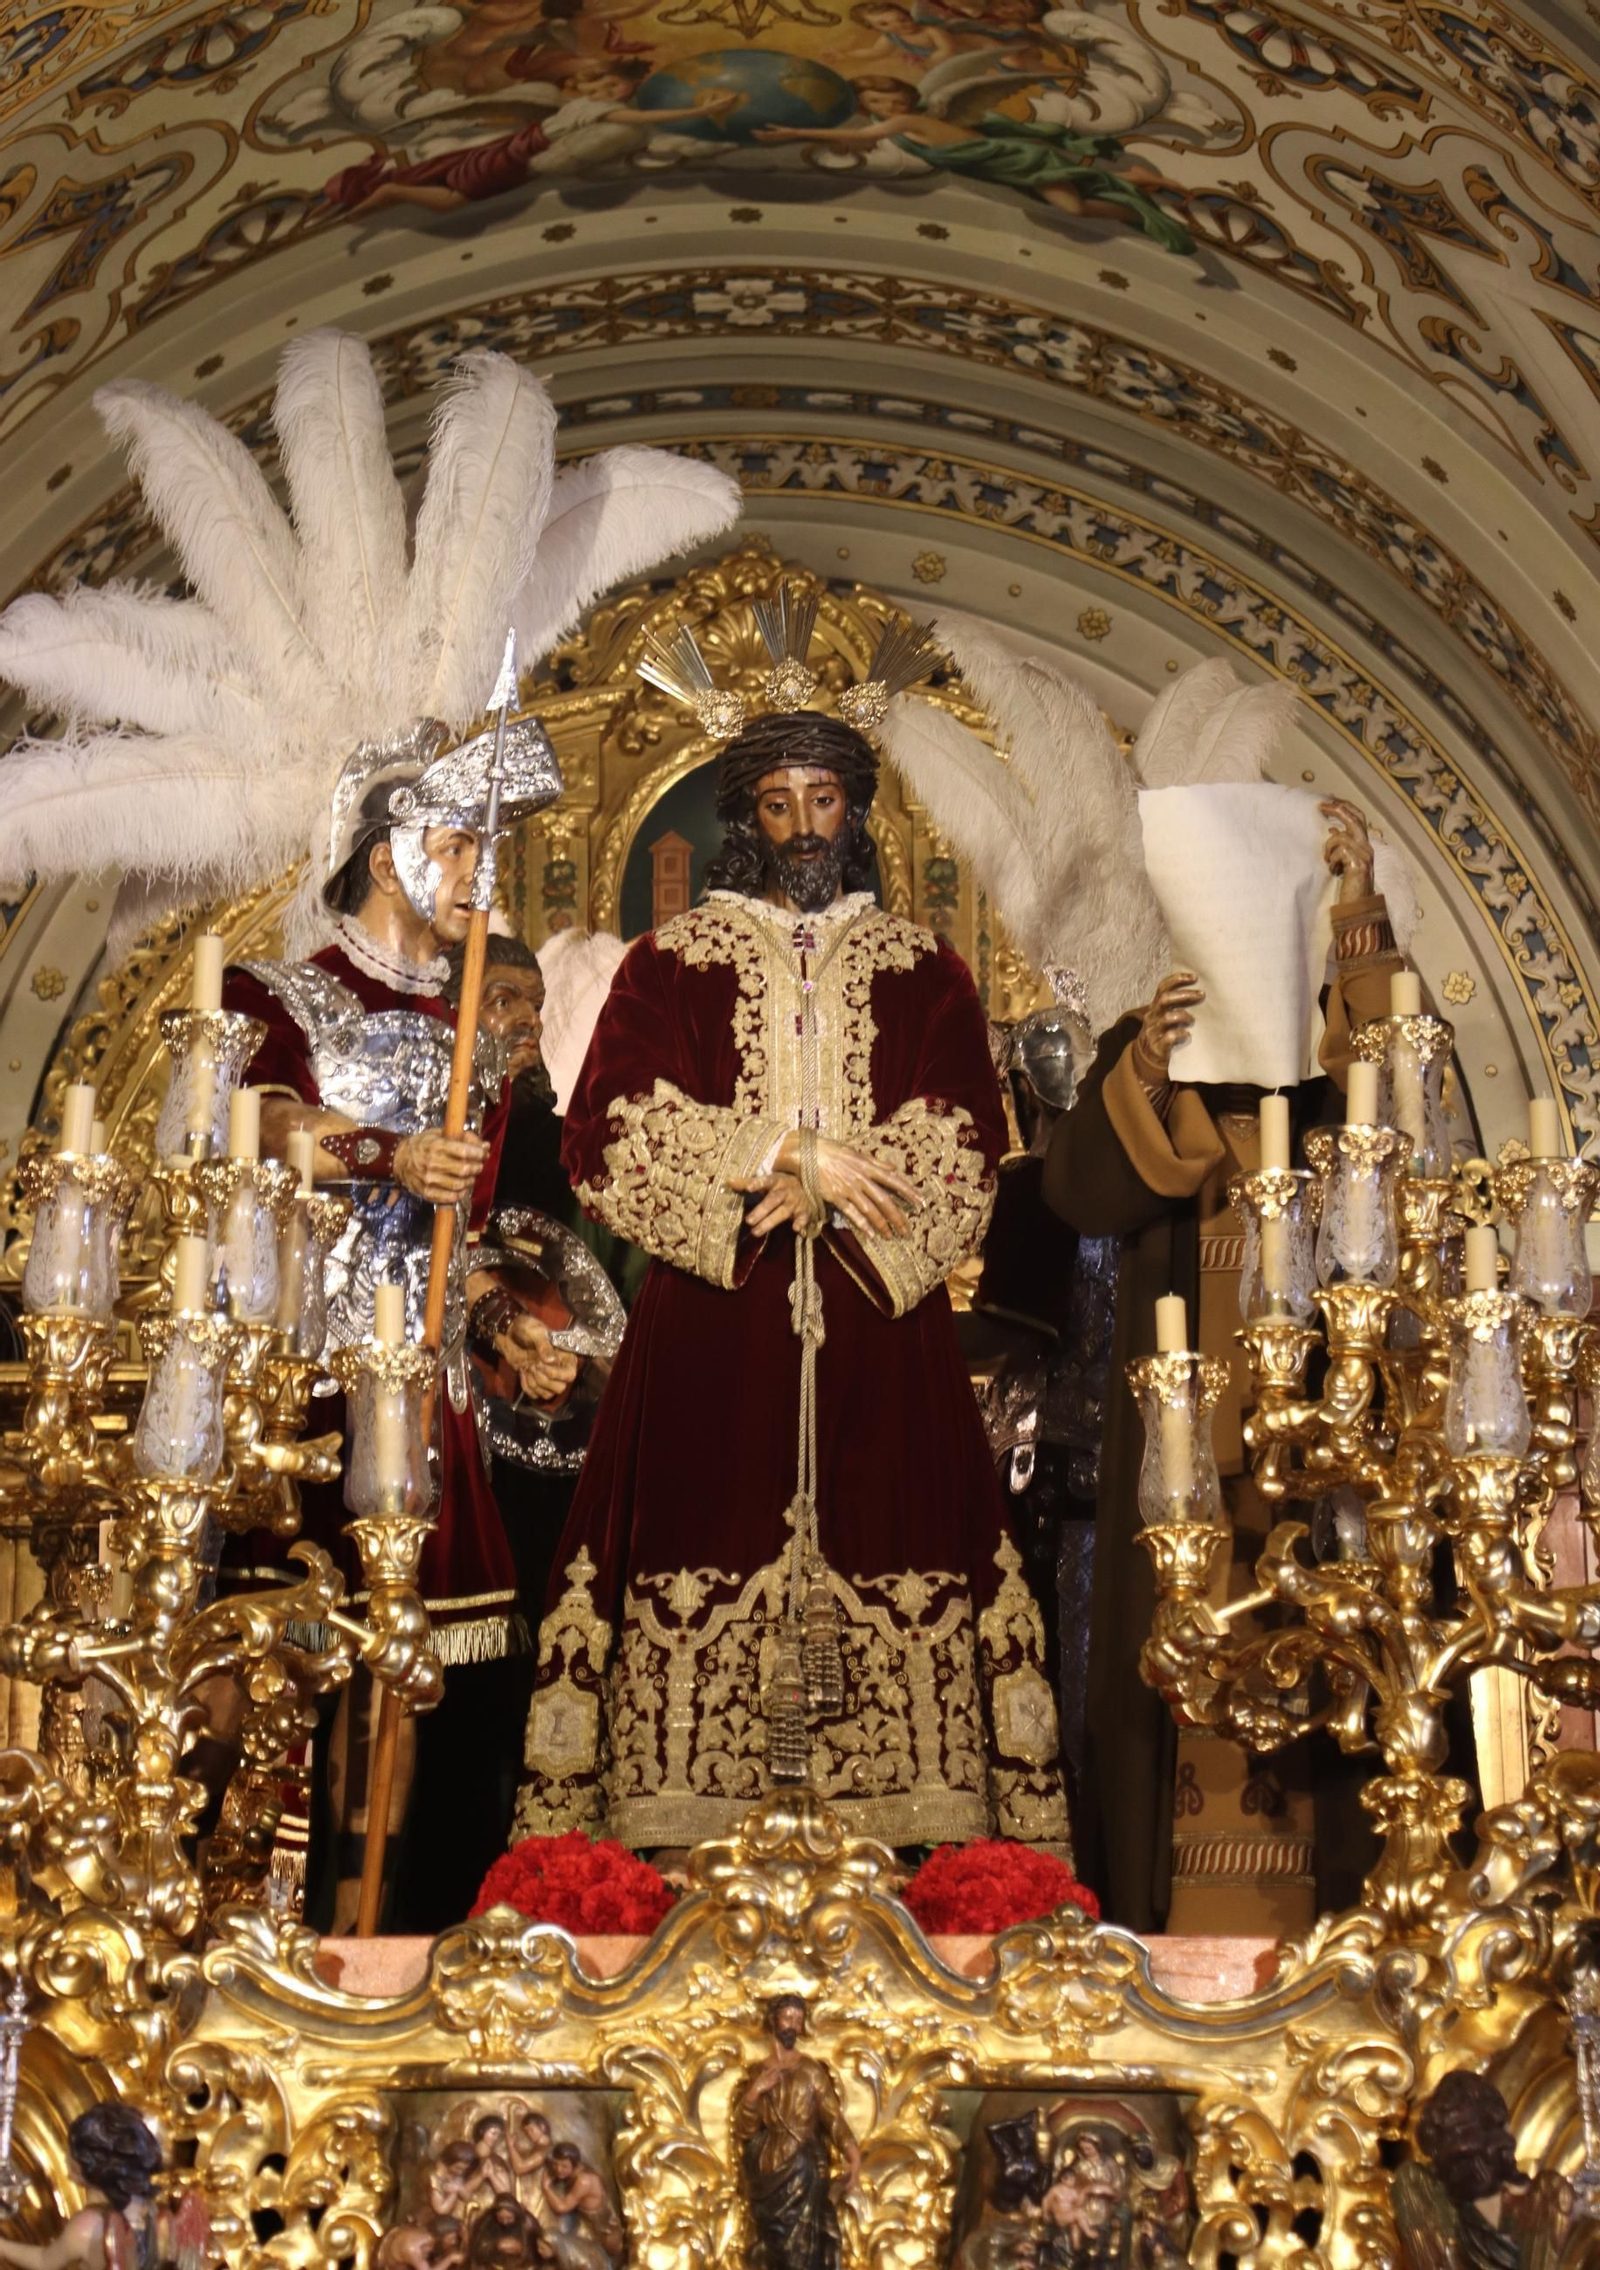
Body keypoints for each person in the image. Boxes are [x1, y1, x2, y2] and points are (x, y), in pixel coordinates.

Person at [512, 616, 1069, 1854]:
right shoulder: (673, 963)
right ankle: (675, 1830)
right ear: (743, 819)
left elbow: (967, 1130)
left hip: (880, 1321)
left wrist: (846, 1189)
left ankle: (911, 1832)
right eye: (777, 802)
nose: (804, 825)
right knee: (697, 1538)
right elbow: (607, 1123)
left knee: (902, 1541)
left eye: (824, 798)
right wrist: (770, 1154)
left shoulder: (923, 967)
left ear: (854, 810)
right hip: (716, 1325)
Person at [1042, 798, 1406, 1933]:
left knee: (1331, 1638)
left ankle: (1331, 1934)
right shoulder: (1150, 1048)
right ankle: (1167, 1942)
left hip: (1321, 1430)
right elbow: (1082, 1189)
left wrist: (1355, 912)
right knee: (1177, 1646)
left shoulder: (1330, 1066)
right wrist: (1148, 1063)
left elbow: (1400, 1095)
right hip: (1184, 1444)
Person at [224, 739, 561, 1933]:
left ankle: (391, 1927)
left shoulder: (478, 1011)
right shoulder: (282, 991)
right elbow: (265, 1124)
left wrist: (497, 1321)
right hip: (312, 1366)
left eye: (490, 849)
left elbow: (464, 1233)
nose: (482, 871)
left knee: (421, 1666)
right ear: (388, 854)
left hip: (433, 1383)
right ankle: (296, 1918)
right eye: (461, 844)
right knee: (314, 1657)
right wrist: (388, 1151)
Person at [730, 1997, 859, 2270]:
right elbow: (744, 2128)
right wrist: (755, 2091)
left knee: (801, 2249)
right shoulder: (757, 2072)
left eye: (798, 2021)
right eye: (787, 2018)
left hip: (803, 2169)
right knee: (771, 2243)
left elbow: (833, 2118)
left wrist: (853, 2155)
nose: (792, 2026)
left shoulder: (810, 2071)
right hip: (766, 2169)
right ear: (774, 2020)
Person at [0, 2105, 175, 2270]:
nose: (66, 2156)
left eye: (72, 2150)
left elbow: (44, 2261)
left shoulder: (87, 2226)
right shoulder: (149, 2210)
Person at [538, 2150, 622, 2262]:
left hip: (598, 2227)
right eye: (556, 2165)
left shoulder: (584, 2181)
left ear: (574, 2164)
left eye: (564, 2166)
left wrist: (546, 2188)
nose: (559, 2169)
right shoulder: (575, 2173)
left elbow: (561, 2208)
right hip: (581, 2218)